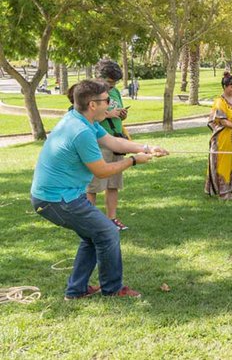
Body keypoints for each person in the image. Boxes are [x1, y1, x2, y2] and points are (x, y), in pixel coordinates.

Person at [30, 79, 168, 299]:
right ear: (93, 104)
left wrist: (147, 147)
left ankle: (76, 290)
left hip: (66, 195)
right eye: (107, 101)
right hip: (55, 199)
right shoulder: (80, 131)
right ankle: (113, 289)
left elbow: (113, 142)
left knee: (94, 235)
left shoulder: (82, 120)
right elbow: (102, 171)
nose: (111, 106)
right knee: (107, 232)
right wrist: (133, 161)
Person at [87, 60, 131, 231]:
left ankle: (111, 219)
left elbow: (117, 114)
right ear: (99, 77)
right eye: (110, 82)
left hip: (116, 141)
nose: (112, 86)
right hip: (99, 143)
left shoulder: (115, 92)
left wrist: (121, 115)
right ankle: (90, 221)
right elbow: (87, 117)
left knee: (113, 184)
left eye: (115, 83)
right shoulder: (90, 92)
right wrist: (108, 114)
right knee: (94, 185)